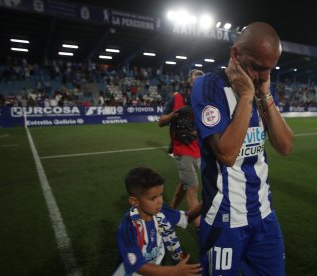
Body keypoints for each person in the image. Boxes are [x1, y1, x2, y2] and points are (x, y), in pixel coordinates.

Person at [190, 22, 294, 275]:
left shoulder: (262, 88)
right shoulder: (208, 86)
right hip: (224, 218)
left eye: (269, 70)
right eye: (257, 68)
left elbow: (285, 146)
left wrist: (265, 96)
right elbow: (226, 154)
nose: (262, 76)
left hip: (264, 214)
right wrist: (247, 98)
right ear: (235, 54)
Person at [113, 166, 202, 276]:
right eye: (153, 198)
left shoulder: (161, 212)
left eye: (161, 195)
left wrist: (206, 202)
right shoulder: (128, 227)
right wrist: (175, 271)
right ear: (134, 201)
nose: (160, 201)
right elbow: (138, 266)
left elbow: (186, 217)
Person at [158, 69, 205, 229]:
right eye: (195, 81)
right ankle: (199, 228)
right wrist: (174, 115)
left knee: (184, 185)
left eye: (201, 82)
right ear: (189, 82)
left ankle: (169, 212)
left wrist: (195, 131)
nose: (198, 85)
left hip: (198, 150)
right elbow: (161, 121)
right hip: (181, 148)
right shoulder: (177, 98)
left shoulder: (205, 102)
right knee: (193, 187)